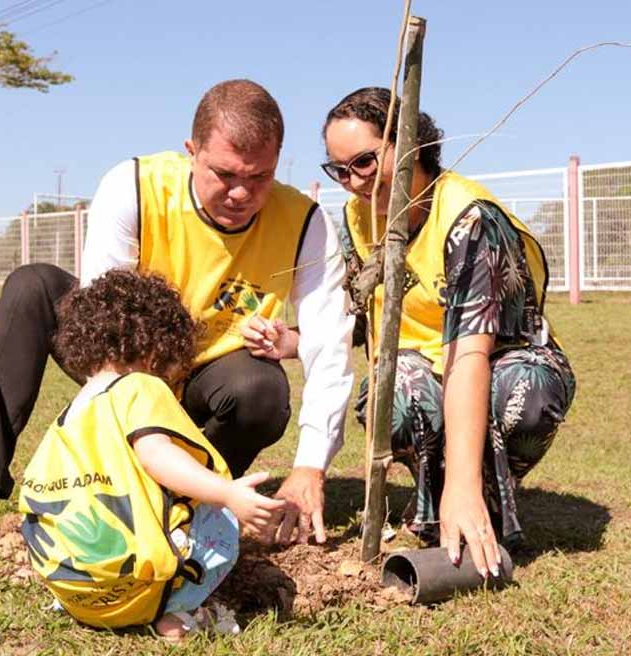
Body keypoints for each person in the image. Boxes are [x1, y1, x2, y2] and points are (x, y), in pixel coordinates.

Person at [0, 79, 354, 557]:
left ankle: (176, 503)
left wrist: (309, 467)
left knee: (260, 391)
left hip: (209, 376)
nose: (241, 193)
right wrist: (108, 439)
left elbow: (329, 344)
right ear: (191, 151)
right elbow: (104, 329)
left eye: (259, 177)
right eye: (224, 173)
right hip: (126, 357)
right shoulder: (133, 186)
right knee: (31, 286)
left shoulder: (307, 223)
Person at [244, 87, 576, 580]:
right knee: (388, 388)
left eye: (363, 162)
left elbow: (471, 355)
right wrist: (293, 341)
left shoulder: (468, 219)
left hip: (495, 364)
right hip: (423, 372)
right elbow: (365, 314)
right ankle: (441, 506)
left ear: (411, 146)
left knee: (521, 392)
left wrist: (463, 483)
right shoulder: (358, 219)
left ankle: (475, 499)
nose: (354, 182)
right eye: (339, 170)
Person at [19, 268, 280, 637]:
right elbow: (157, 456)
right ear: (158, 346)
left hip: (76, 587)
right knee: (220, 520)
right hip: (139, 589)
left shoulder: (75, 410)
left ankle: (79, 605)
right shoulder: (140, 387)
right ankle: (175, 611)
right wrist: (227, 494)